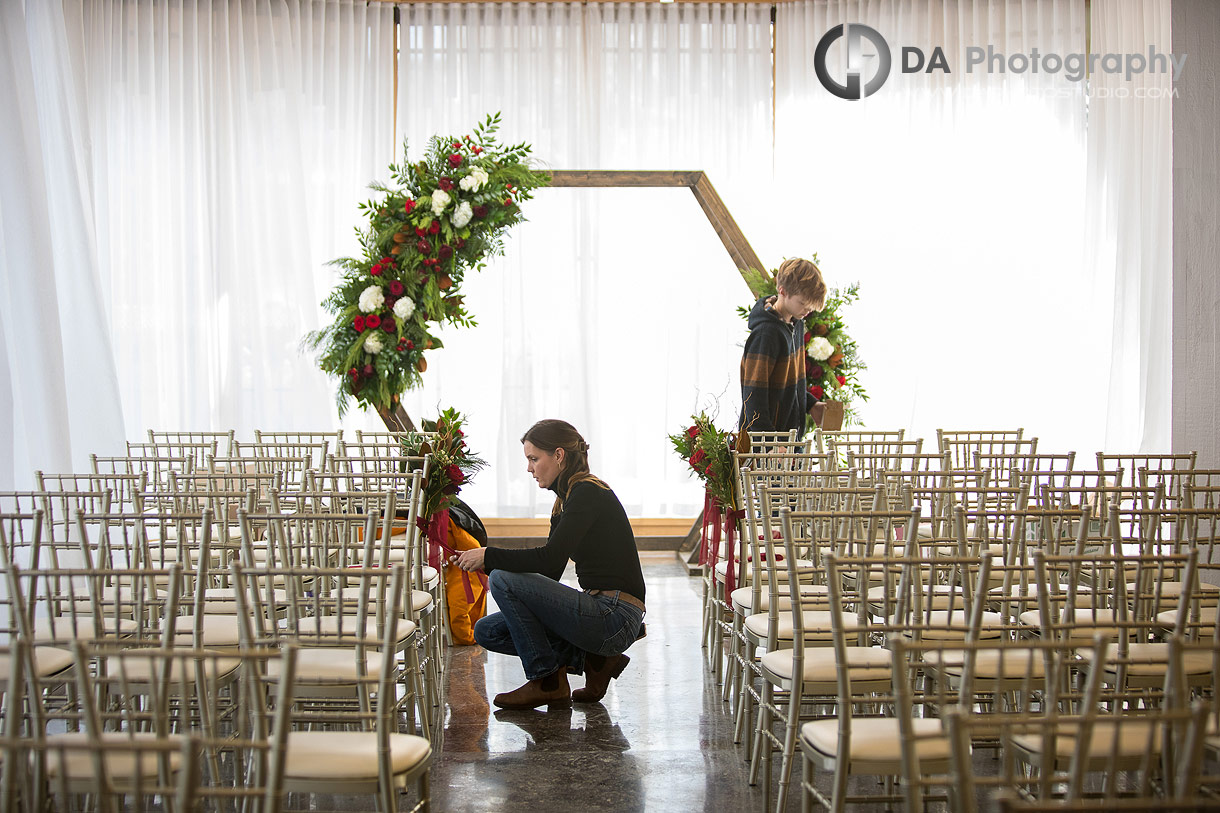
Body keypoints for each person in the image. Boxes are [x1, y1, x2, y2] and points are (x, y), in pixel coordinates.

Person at [454, 419, 646, 709]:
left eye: (534, 459)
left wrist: (489, 557)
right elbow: (550, 572)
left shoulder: (587, 492)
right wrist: (490, 562)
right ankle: (593, 660)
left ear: (558, 455)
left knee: (502, 579)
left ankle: (547, 681)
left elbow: (549, 560)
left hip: (615, 616)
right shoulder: (566, 499)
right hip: (600, 609)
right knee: (486, 631)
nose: (529, 468)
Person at [739, 257, 829, 441]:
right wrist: (770, 442)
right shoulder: (766, 334)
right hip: (765, 448)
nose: (808, 309)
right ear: (782, 291)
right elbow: (753, 396)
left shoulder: (795, 325)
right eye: (803, 303)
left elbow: (785, 384)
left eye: (811, 306)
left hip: (788, 441)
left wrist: (811, 404)